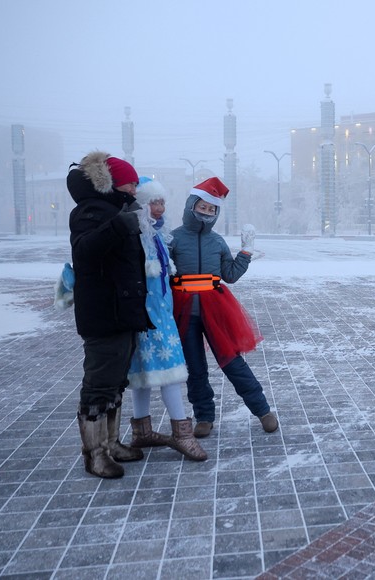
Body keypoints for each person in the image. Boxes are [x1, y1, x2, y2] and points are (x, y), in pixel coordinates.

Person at [168, 177, 278, 438]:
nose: (206, 212)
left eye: (212, 209)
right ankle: (204, 416)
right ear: (191, 206)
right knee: (195, 368)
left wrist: (245, 253)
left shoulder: (216, 242)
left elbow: (229, 275)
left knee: (232, 362)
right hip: (183, 311)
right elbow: (162, 272)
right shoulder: (173, 238)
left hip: (216, 308)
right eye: (202, 207)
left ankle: (262, 410)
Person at [67, 151, 149, 478]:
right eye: (130, 183)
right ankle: (95, 455)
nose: (134, 189)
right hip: (103, 314)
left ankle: (112, 443)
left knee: (116, 383)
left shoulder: (116, 208)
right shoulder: (88, 211)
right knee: (99, 385)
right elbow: (85, 250)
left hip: (122, 311)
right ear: (113, 183)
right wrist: (118, 226)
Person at [126, 177, 206, 461]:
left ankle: (142, 431)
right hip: (147, 317)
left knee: (147, 373)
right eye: (153, 203)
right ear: (142, 205)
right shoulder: (134, 235)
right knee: (163, 373)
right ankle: (181, 434)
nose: (159, 208)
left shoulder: (157, 235)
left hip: (160, 314)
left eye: (162, 202)